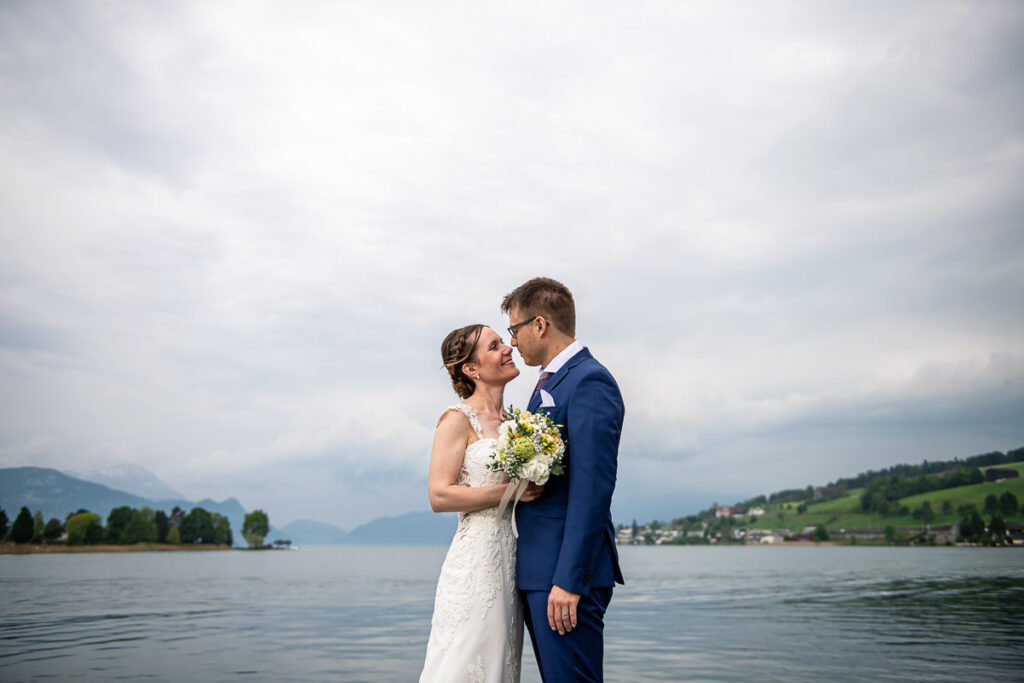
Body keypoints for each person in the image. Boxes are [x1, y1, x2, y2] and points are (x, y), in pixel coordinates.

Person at [501, 277, 625, 683]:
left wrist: (569, 581)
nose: (513, 342)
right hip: (540, 570)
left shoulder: (588, 380)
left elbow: (592, 489)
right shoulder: (549, 383)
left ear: (540, 325)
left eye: (514, 329)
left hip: (564, 577)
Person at [420, 323, 543, 683]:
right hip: (474, 563)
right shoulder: (457, 419)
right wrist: (512, 492)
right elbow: (439, 495)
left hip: (511, 560)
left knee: (501, 663)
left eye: (504, 342)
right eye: (495, 346)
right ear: (471, 369)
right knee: (463, 659)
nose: (508, 349)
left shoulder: (518, 423)